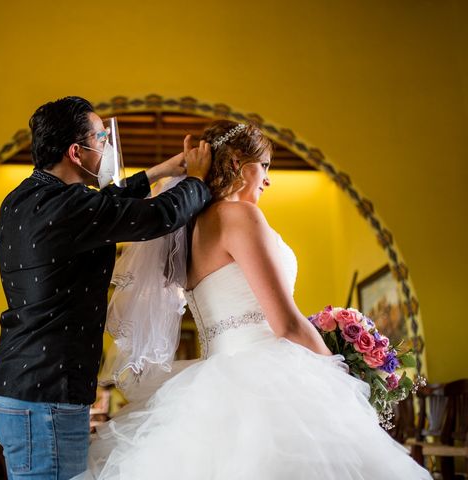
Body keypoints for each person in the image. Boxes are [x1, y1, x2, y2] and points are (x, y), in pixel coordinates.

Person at [77, 120, 431, 479]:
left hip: (213, 376)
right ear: (238, 165)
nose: (268, 178)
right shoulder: (241, 216)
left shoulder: (190, 230)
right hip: (265, 373)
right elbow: (287, 324)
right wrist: (343, 371)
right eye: (264, 166)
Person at [0, 96, 212, 480]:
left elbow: (106, 202)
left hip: (18, 384)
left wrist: (165, 170)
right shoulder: (70, 208)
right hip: (47, 395)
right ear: (77, 151)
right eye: (101, 137)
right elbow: (160, 215)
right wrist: (197, 180)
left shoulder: (24, 198)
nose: (106, 146)